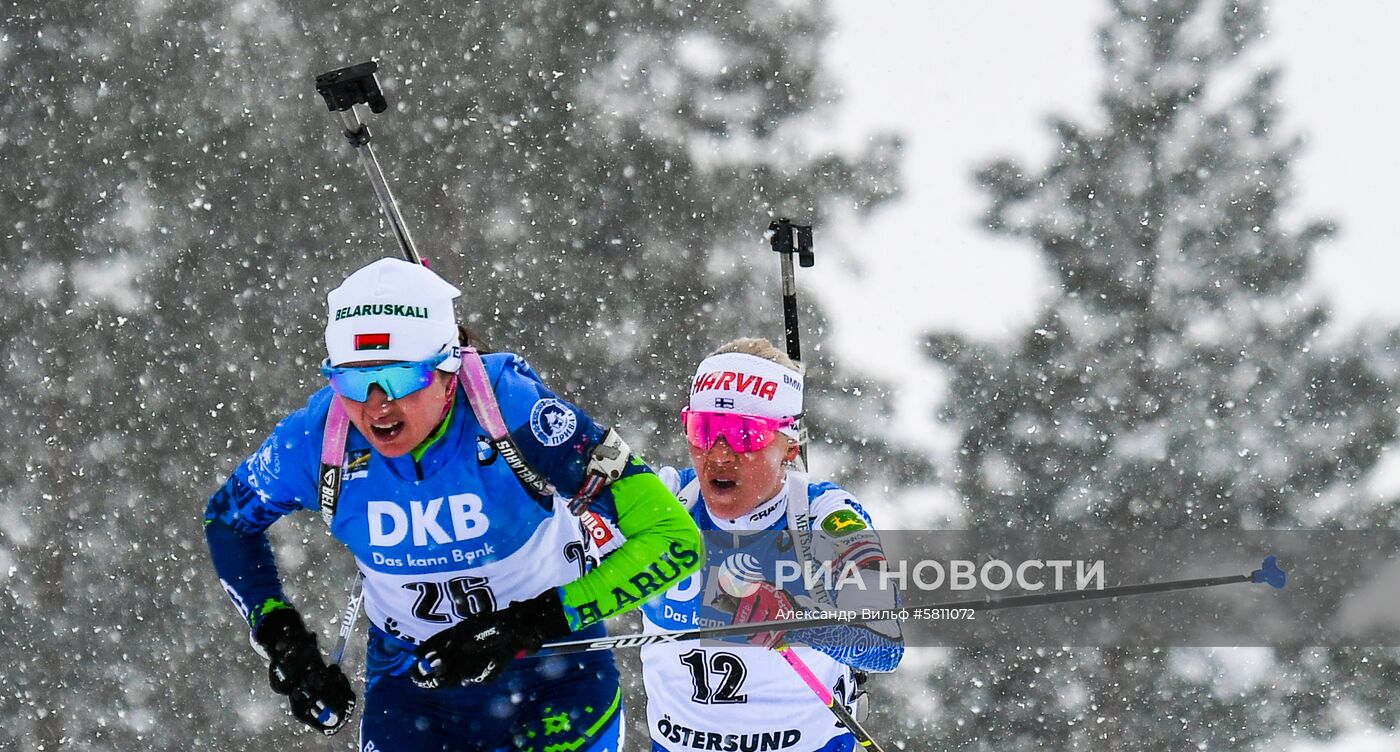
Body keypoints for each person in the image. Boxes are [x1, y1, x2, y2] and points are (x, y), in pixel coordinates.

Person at [204, 257, 703, 751]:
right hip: (414, 688)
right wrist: (284, 641)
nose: (377, 405)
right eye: (354, 381)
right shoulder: (317, 438)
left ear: (448, 371)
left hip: (552, 676)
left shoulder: (513, 411)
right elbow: (228, 522)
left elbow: (674, 541)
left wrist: (528, 624)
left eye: (400, 379)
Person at [638, 338, 905, 752]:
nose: (720, 456)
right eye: (704, 431)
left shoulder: (827, 517)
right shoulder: (663, 503)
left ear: (790, 448)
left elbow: (886, 644)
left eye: (744, 436)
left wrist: (795, 620)